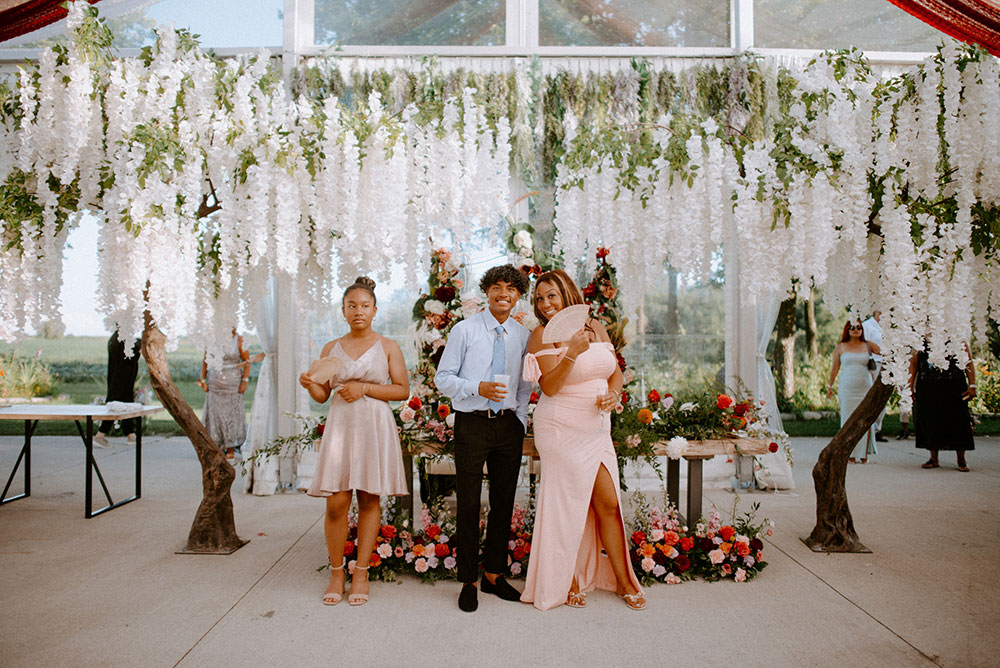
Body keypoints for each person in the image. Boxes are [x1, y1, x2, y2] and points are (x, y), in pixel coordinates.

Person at [519, 269, 645, 611]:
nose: (545, 304)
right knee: (567, 504)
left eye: (552, 296)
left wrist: (614, 394)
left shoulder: (596, 326)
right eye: (540, 298)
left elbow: (614, 371)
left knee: (608, 503)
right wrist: (571, 351)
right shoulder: (541, 335)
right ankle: (567, 578)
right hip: (560, 427)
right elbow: (549, 386)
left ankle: (623, 581)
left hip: (596, 428)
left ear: (567, 294)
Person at [299, 277, 410, 606]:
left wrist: (365, 388)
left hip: (374, 425)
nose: (358, 311)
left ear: (375, 310)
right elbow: (322, 395)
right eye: (352, 306)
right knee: (336, 503)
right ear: (344, 311)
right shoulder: (330, 348)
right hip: (342, 426)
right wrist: (309, 384)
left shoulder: (388, 346)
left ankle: (361, 572)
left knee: (369, 499)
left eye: (365, 306)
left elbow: (402, 390)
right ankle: (337, 571)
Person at [435, 264, 532, 613]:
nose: (503, 294)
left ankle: (493, 574)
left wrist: (519, 419)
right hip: (472, 423)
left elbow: (524, 385)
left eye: (511, 289)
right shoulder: (465, 330)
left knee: (504, 501)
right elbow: (443, 379)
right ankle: (468, 581)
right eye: (497, 287)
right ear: (487, 291)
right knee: (469, 503)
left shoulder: (522, 335)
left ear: (519, 296)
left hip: (508, 426)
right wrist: (478, 387)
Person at [909, 342, 976, 471]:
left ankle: (961, 459)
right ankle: (933, 458)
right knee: (930, 420)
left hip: (954, 385)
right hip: (928, 386)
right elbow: (913, 364)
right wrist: (909, 387)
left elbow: (968, 361)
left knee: (958, 420)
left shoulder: (957, 338)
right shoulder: (920, 340)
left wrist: (972, 385)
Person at [826, 320, 876, 463]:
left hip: (865, 386)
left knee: (864, 419)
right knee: (847, 419)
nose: (856, 330)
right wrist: (830, 387)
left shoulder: (868, 345)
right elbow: (835, 368)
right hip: (847, 387)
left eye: (859, 328)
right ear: (847, 330)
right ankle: (849, 454)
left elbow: (884, 351)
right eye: (852, 328)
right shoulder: (841, 347)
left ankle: (863, 454)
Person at [197, 328, 250, 460]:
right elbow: (205, 360)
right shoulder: (212, 337)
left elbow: (247, 361)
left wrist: (245, 380)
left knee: (231, 413)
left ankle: (231, 447)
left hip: (233, 382)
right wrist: (203, 380)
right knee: (215, 413)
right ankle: (217, 444)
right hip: (215, 381)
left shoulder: (239, 339)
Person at [94, 330, 142, 447]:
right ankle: (100, 435)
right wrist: (139, 350)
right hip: (120, 380)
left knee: (126, 405)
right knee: (115, 406)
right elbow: (128, 357)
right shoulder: (120, 339)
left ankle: (131, 435)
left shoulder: (118, 337)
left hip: (122, 379)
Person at [861, 311, 887, 442]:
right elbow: (864, 345)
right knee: (872, 396)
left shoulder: (889, 325)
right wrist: (869, 365)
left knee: (882, 398)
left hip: (886, 363)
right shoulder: (868, 326)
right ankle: (868, 429)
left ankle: (877, 429)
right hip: (875, 363)